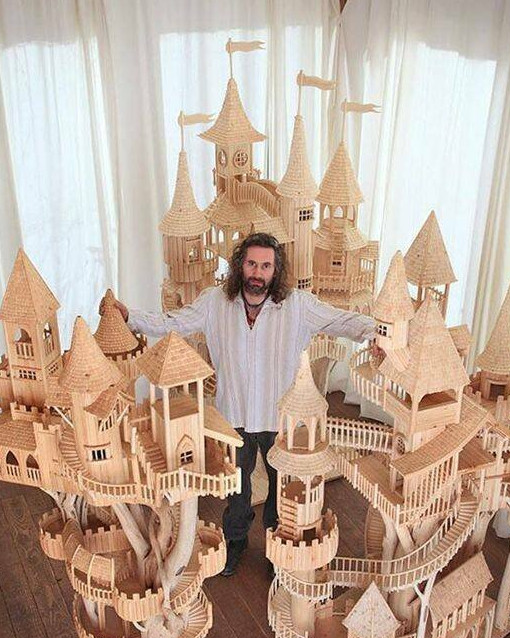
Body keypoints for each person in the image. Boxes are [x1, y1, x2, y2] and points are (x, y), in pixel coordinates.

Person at [102, 233, 378, 576]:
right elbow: (172, 322)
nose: (257, 273)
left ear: (276, 270)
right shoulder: (214, 302)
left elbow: (342, 321)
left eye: (265, 266)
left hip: (280, 421)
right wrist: (130, 317)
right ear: (239, 265)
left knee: (281, 490)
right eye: (251, 264)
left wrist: (377, 333)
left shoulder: (297, 306)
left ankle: (277, 548)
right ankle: (235, 542)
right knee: (237, 489)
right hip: (233, 418)